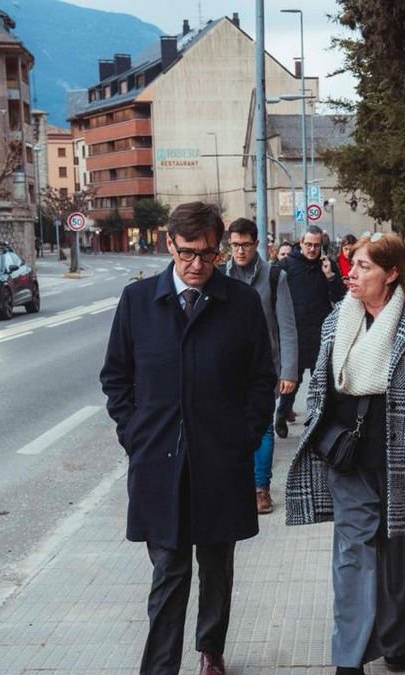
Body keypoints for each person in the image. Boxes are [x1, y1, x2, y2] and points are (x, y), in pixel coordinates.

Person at [100, 201, 277, 675]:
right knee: (169, 571)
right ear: (169, 246)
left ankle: (211, 650)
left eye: (207, 254)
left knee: (217, 566)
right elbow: (116, 378)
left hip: (221, 461)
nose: (197, 264)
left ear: (219, 251)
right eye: (186, 254)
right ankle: (160, 667)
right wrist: (134, 434)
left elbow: (263, 377)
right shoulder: (137, 301)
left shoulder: (239, 303)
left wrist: (243, 437)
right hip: (159, 462)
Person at [285, 232, 405, 675]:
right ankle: (351, 656)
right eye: (353, 265)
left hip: (402, 454)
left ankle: (398, 637)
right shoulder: (335, 320)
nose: (353, 274)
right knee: (353, 553)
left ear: (392, 273)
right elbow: (322, 386)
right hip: (345, 455)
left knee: (400, 552)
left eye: (364, 266)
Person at [222, 217, 299, 515]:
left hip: (264, 367)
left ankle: (260, 489)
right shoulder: (220, 276)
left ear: (257, 245)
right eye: (235, 245)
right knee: (229, 425)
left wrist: (290, 370)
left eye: (246, 245)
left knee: (263, 427)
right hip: (227, 367)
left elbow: (287, 327)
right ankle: (235, 484)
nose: (240, 251)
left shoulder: (274, 277)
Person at [273, 225, 346, 438]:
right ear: (300, 243)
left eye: (316, 245)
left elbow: (341, 298)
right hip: (294, 333)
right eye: (308, 245)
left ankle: (318, 420)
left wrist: (331, 276)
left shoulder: (327, 265)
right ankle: (282, 413)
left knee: (321, 381)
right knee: (292, 380)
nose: (312, 249)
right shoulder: (286, 265)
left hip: (320, 333)